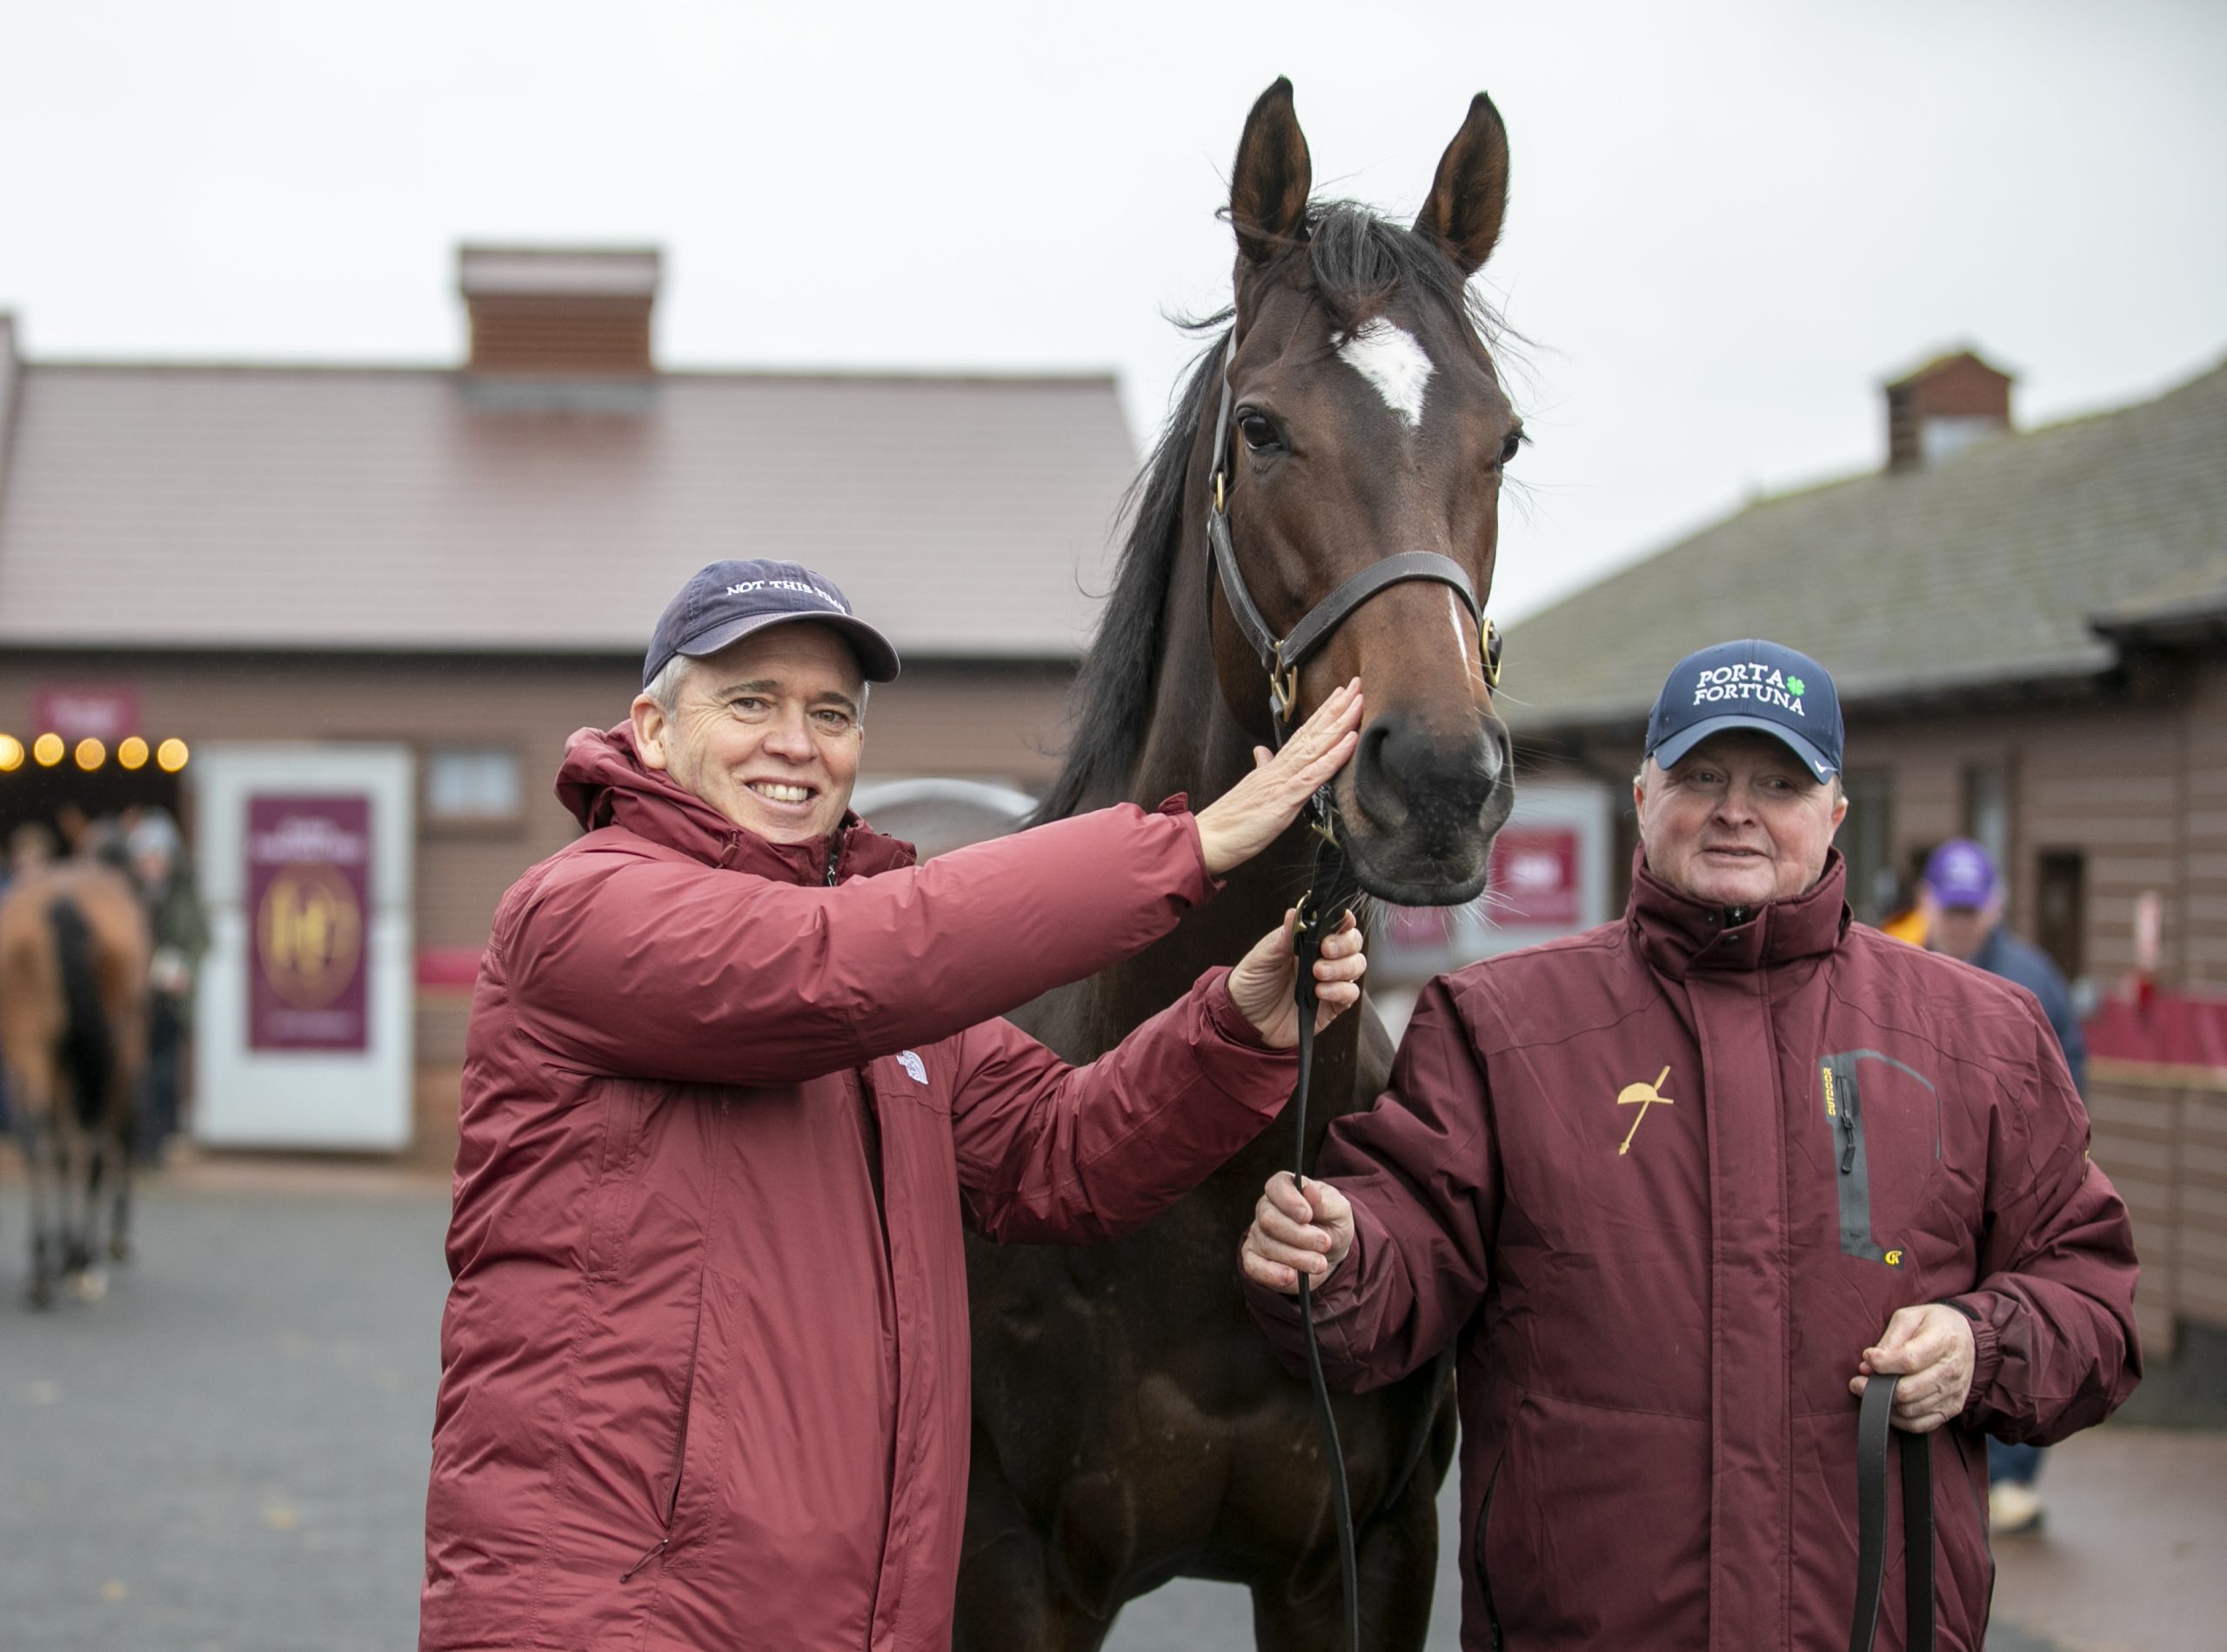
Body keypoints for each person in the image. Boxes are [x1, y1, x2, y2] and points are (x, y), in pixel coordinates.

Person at [418, 559, 1371, 1652]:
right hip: (616, 1619)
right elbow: (827, 967)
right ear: (652, 731)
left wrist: (1237, 1028)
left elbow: (1061, 1150)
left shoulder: (889, 989)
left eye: (830, 714)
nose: (796, 742)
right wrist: (1184, 847)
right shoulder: (579, 909)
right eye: (750, 702)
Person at [1241, 639, 2140, 1652]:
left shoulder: (1982, 1037)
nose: (1735, 810)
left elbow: (2092, 1301)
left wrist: (1984, 1345)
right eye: (1701, 775)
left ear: (1835, 813)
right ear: (1643, 797)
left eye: (1779, 783)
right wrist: (1338, 1254)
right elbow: (1406, 1240)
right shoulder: (1498, 1027)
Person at [1922, 835, 2087, 1534]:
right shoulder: (1896, 966)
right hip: (1926, 1182)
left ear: (1995, 905)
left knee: (2015, 1315)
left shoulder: (2031, 980)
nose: (1961, 922)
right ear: (1928, 902)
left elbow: (2068, 1087)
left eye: (1971, 909)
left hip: (2009, 1184)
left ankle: (2011, 1476)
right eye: (1950, 908)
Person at [126, 809, 210, 1163]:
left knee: (164, 1069)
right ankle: (133, 1137)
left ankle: (158, 1140)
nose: (152, 864)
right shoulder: (127, 898)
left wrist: (184, 969)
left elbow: (200, 939)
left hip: (169, 1000)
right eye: (146, 857)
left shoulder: (183, 896)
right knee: (134, 1068)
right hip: (134, 1000)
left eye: (158, 856)